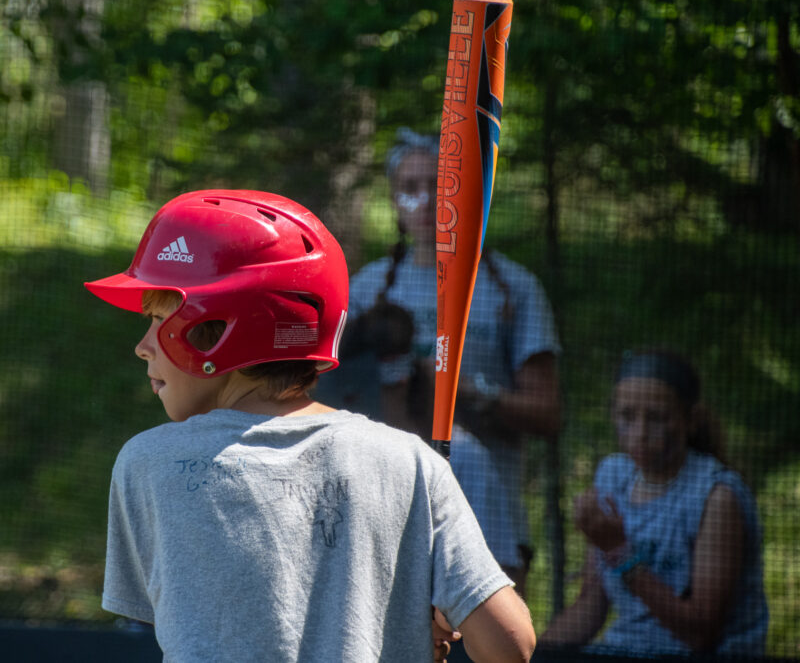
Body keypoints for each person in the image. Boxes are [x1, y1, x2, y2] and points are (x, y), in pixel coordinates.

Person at [85, 189, 535, 662]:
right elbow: (511, 647)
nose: (143, 346)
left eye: (159, 319)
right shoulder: (412, 463)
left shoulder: (147, 464)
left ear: (223, 325)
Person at [318, 127, 563, 595]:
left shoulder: (512, 290)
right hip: (387, 510)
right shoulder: (366, 289)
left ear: (468, 194)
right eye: (409, 189)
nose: (426, 201)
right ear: (393, 201)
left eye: (440, 186)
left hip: (489, 514)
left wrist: (466, 393)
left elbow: (549, 415)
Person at [540, 349, 768, 655]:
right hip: (624, 649)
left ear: (691, 420)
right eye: (627, 416)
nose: (640, 434)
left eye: (657, 418)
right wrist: (529, 655)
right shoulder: (613, 476)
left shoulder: (717, 496)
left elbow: (701, 634)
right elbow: (590, 607)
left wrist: (619, 553)